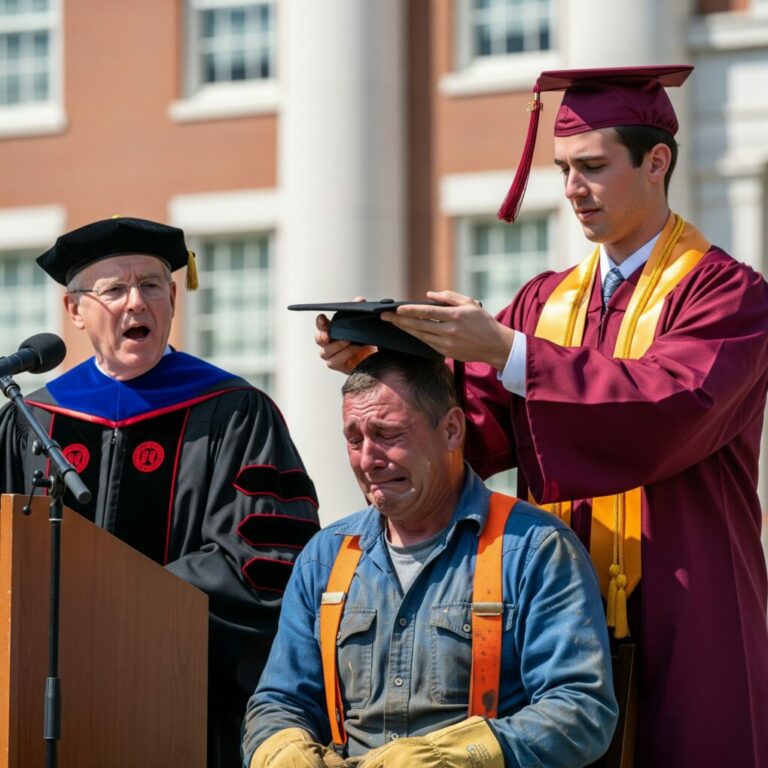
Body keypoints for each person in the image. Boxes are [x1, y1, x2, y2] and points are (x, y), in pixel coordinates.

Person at [315, 66, 768, 768]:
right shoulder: (545, 302)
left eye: (592, 167)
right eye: (562, 169)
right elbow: (470, 428)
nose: (571, 191)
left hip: (687, 594)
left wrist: (504, 348)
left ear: (656, 163)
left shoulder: (728, 295)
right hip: (550, 602)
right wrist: (390, 366)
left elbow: (669, 407)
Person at [0, 216, 321, 768]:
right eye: (114, 289)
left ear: (173, 298)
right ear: (75, 311)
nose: (136, 302)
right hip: (46, 697)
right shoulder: (32, 421)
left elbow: (265, 562)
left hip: (186, 697)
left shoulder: (236, 414)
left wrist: (117, 605)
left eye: (151, 285)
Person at [242, 350, 617, 768]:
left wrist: (448, 758)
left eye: (387, 434)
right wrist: (281, 750)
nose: (368, 460)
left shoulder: (534, 550)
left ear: (452, 430)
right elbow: (279, 700)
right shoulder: (324, 558)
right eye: (354, 439)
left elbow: (581, 712)